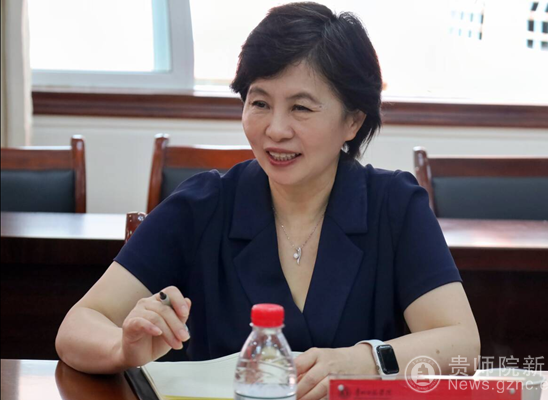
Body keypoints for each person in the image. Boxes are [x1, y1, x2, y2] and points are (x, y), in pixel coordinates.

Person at [56, 2, 480, 399]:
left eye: (301, 108)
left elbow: (461, 343)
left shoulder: (395, 206)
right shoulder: (202, 206)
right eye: (259, 102)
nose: (275, 130)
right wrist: (124, 347)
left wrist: (366, 361)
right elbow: (78, 326)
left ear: (353, 121)